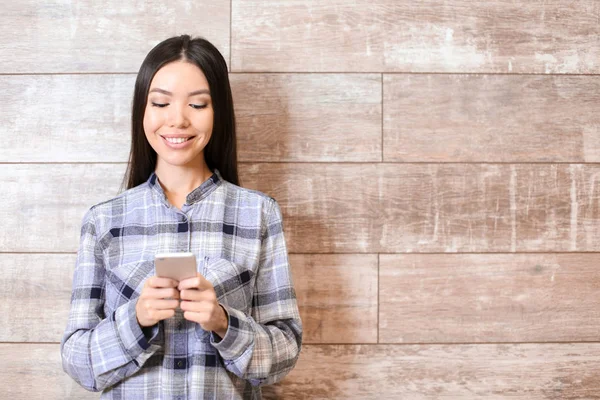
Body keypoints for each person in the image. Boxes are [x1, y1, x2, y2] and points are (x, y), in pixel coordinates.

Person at [60, 34, 303, 399]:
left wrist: (223, 322)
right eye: (160, 102)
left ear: (217, 111)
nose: (177, 120)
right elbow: (77, 360)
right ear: (143, 110)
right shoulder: (103, 221)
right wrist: (136, 319)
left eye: (198, 104)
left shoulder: (258, 214)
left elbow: (284, 353)